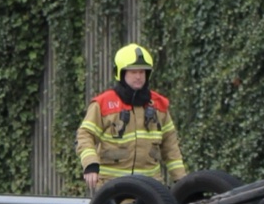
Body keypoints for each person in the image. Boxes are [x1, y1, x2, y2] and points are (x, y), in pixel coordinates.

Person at [77, 44, 188, 193]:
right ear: (121, 73)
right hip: (111, 188)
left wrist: (182, 182)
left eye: (142, 72)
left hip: (151, 189)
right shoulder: (103, 104)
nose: (138, 76)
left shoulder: (159, 105)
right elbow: (85, 135)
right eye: (133, 72)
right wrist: (90, 164)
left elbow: (171, 147)